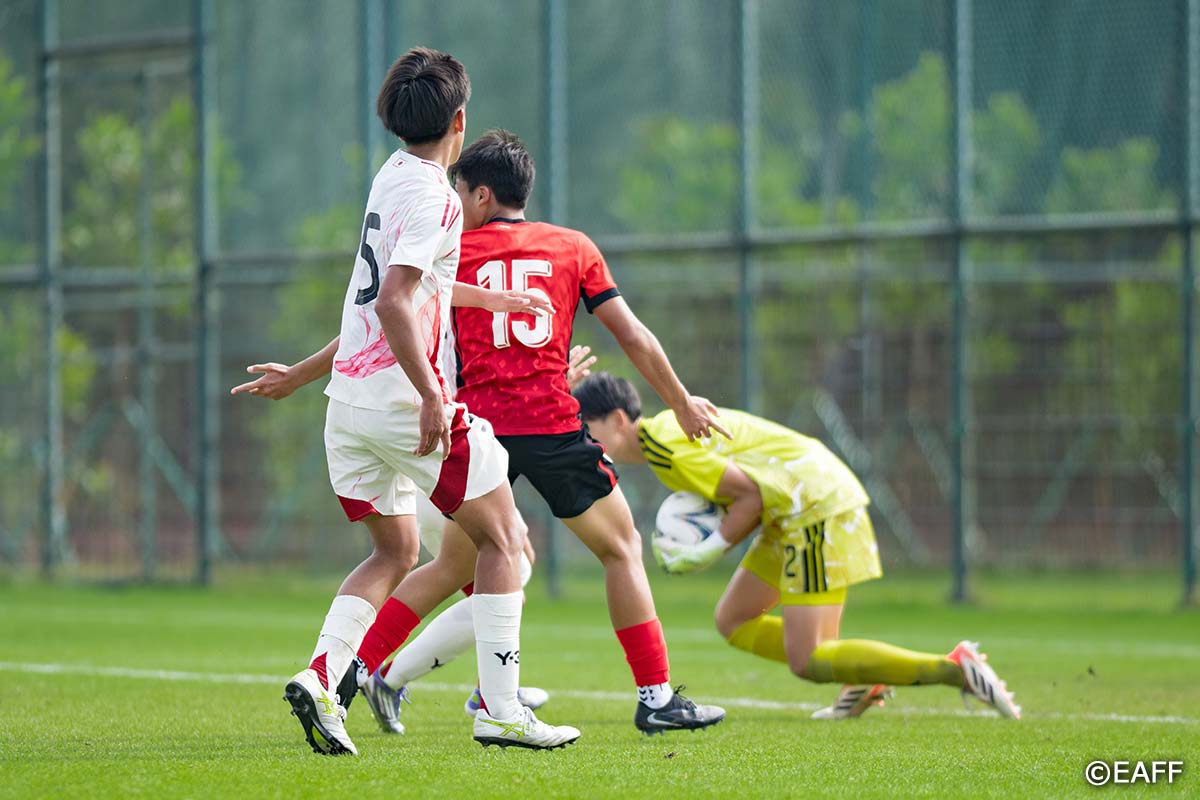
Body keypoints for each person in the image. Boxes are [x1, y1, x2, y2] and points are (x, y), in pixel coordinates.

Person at [235, 130, 728, 736]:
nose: (455, 198)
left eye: (461, 189)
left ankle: (354, 673)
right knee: (620, 547)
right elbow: (633, 335)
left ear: (483, 194)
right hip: (548, 424)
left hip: (477, 423)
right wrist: (679, 402)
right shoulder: (573, 246)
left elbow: (379, 321)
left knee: (447, 565)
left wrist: (302, 375)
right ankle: (652, 697)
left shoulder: (453, 243)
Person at [252, 47, 579, 755]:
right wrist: (433, 395)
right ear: (460, 119)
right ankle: (501, 711)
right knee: (504, 540)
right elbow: (396, 302)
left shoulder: (392, 176)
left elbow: (388, 292)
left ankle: (321, 677)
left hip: (350, 405)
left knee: (397, 549)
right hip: (404, 403)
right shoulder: (439, 196)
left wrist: (300, 376)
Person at [571, 371, 1022, 721]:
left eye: (586, 428)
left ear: (618, 419)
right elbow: (751, 496)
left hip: (813, 506)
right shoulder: (664, 436)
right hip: (791, 508)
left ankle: (954, 667)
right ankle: (861, 679)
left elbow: (750, 497)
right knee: (734, 620)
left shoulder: (665, 444)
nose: (584, 440)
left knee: (807, 660)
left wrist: (705, 551)